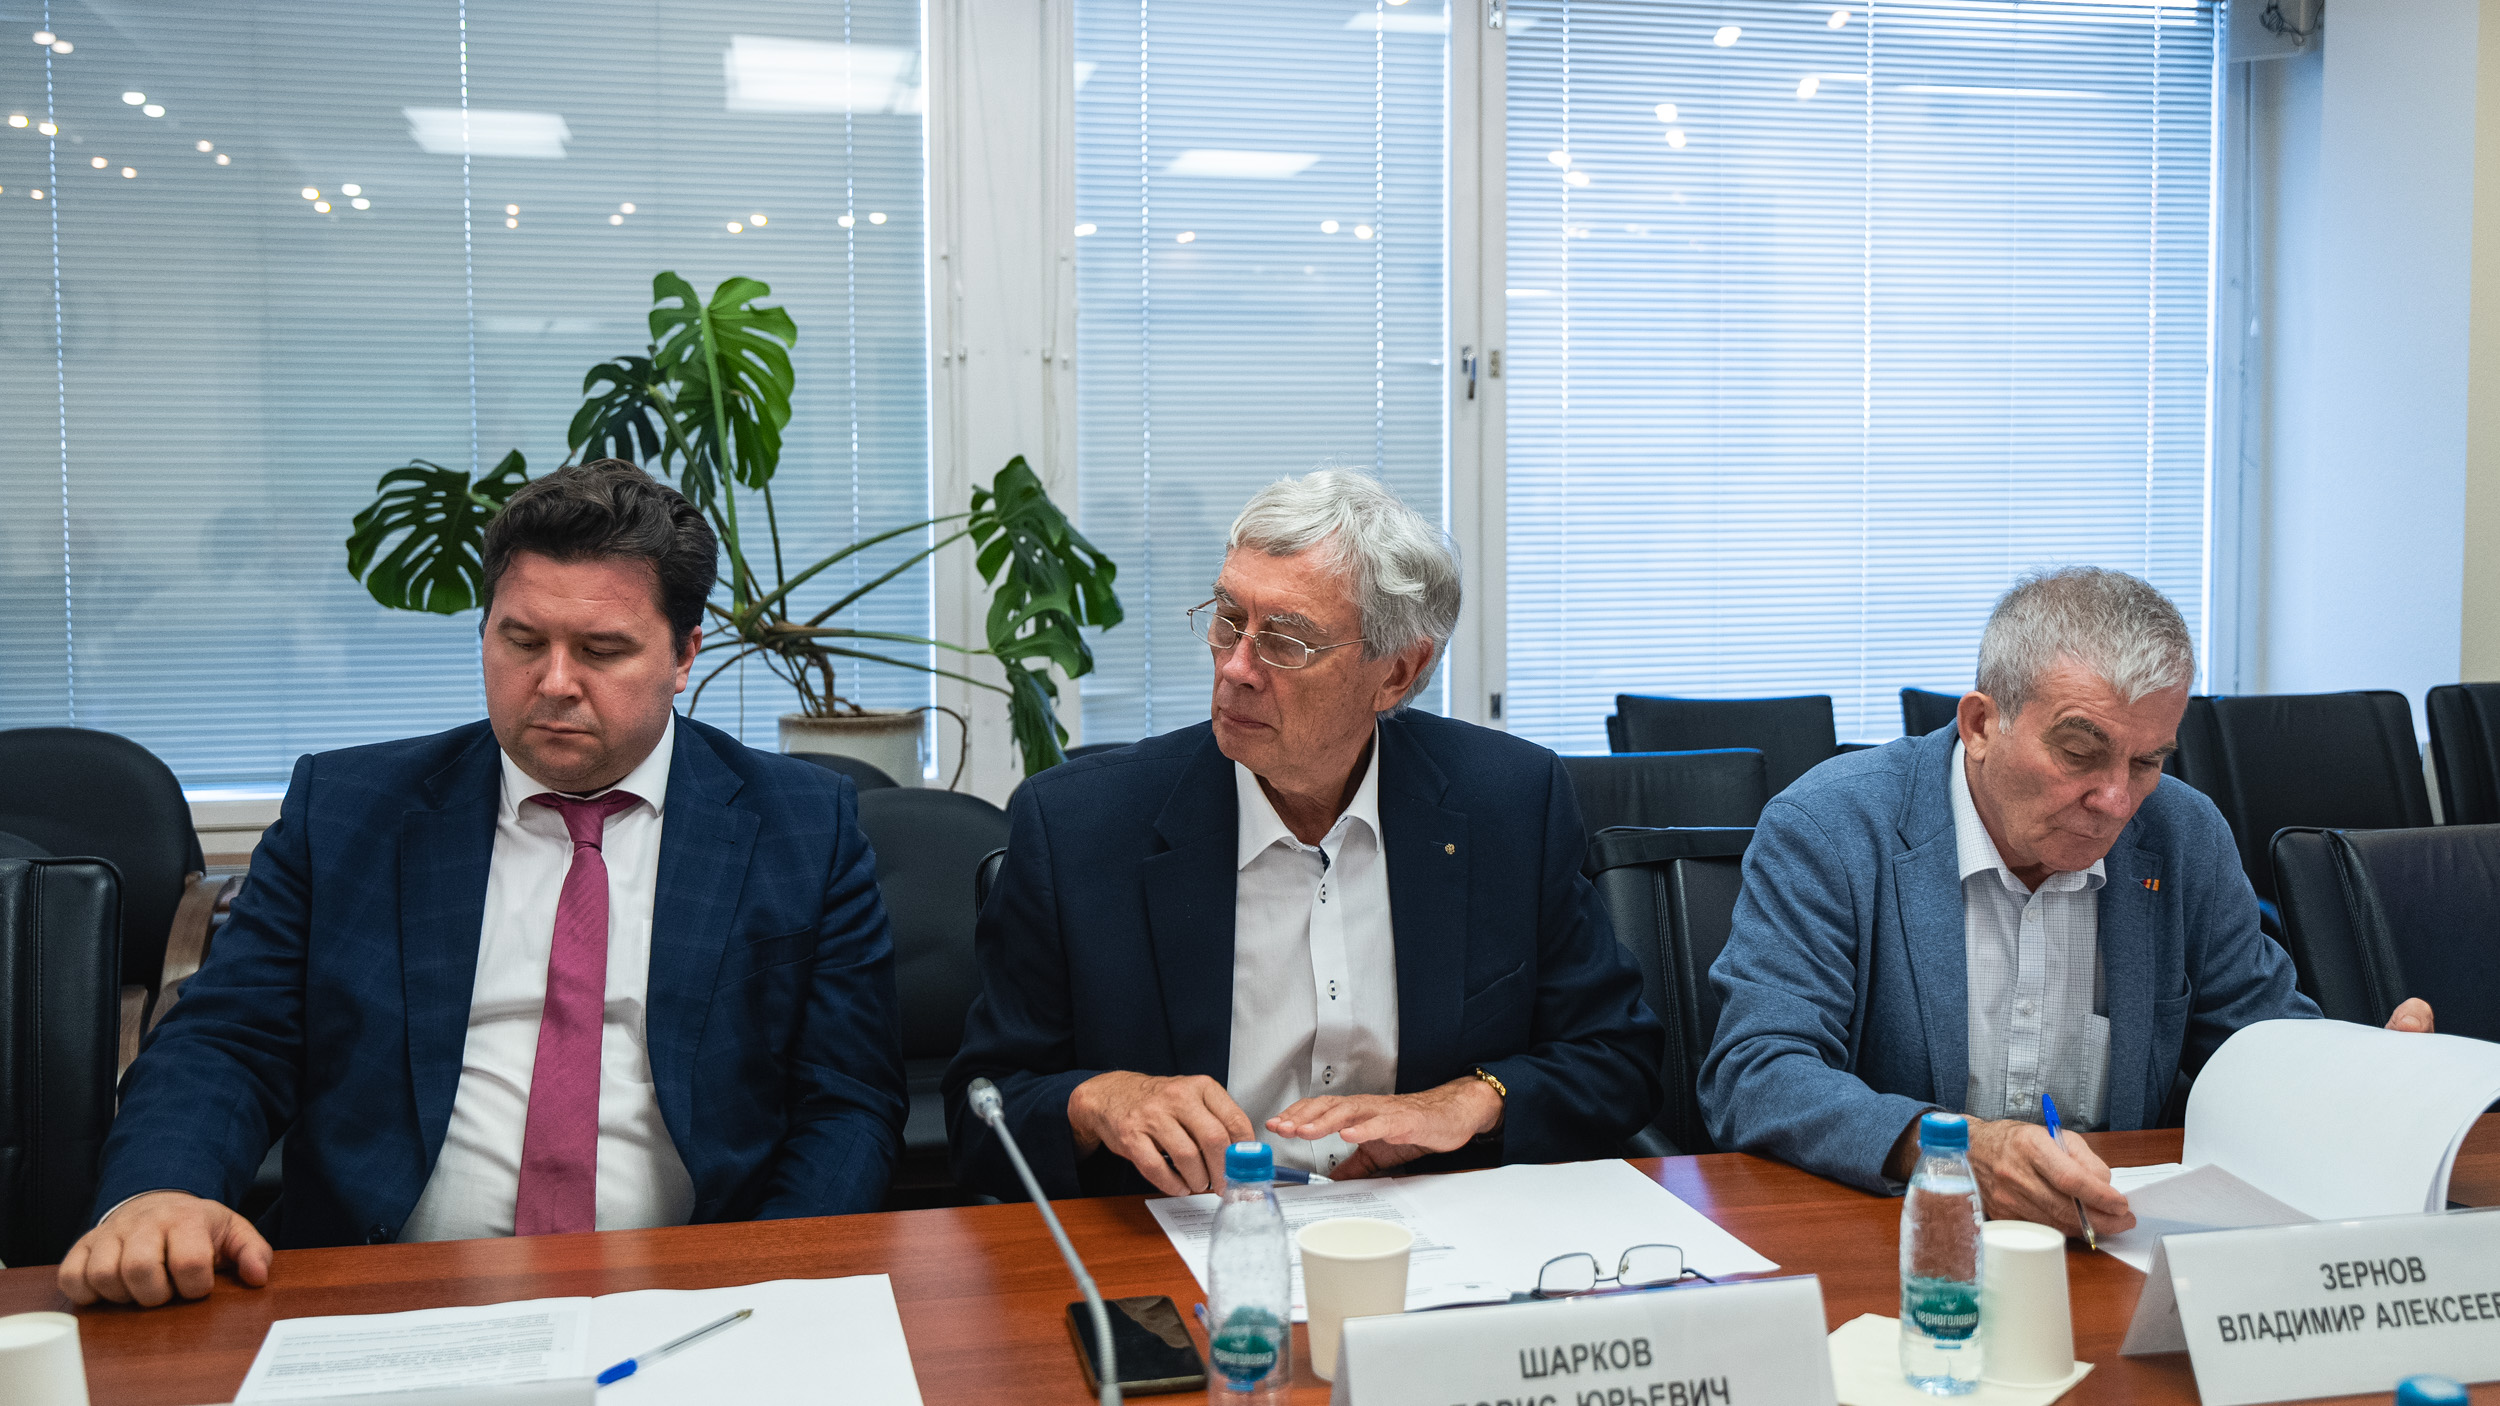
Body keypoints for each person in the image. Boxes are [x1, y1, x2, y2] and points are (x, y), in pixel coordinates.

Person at [62, 460, 907, 1307]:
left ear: (684, 655)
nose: (555, 682)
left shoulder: (802, 826)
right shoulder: (350, 811)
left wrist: (768, 1284)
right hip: (383, 1290)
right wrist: (161, 1192)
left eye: (602, 650)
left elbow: (847, 1103)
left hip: (695, 1294)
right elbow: (229, 1039)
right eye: (522, 641)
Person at [945, 471, 1664, 1200]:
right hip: (1190, 1230)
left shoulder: (1508, 804)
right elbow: (979, 1114)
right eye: (1229, 619)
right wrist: (1097, 1102)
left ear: (1399, 672)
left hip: (1431, 1228)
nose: (1236, 667)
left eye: (1286, 641)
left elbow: (1617, 1058)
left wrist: (1474, 1101)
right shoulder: (1080, 828)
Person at [1700, 566, 2433, 1233]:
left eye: (2145, 762)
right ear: (1981, 724)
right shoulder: (1831, 829)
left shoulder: (2181, 835)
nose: (2116, 800)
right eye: (2080, 753)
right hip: (1897, 1238)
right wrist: (1959, 1150)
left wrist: (2365, 1081)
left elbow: (2258, 1041)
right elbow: (1757, 1074)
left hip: (2109, 1236)